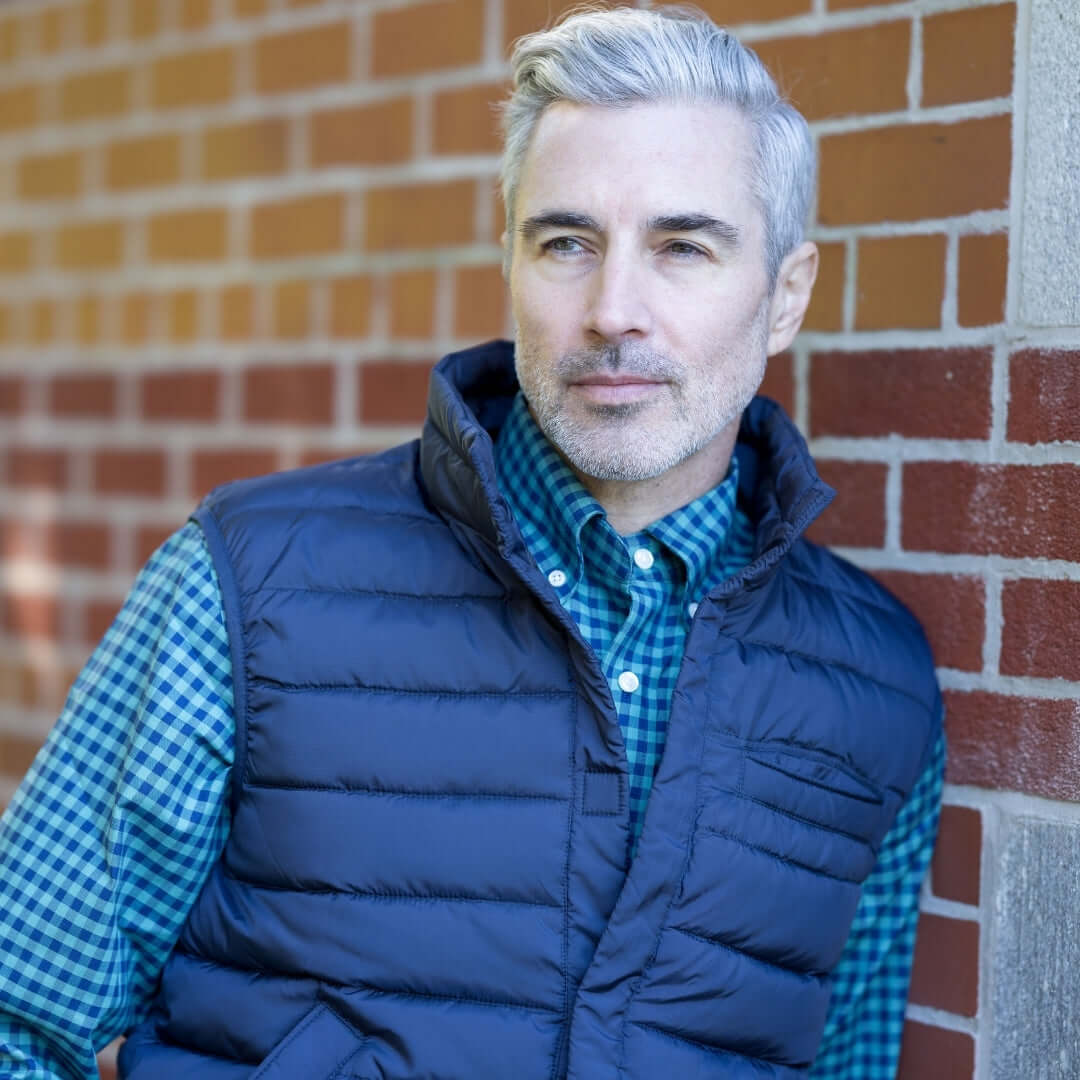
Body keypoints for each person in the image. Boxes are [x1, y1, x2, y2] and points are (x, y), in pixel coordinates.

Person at [0, 7, 943, 1079]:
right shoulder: (252, 585)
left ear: (785, 295)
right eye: (565, 243)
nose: (613, 311)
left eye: (683, 247)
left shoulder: (878, 686)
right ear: (510, 261)